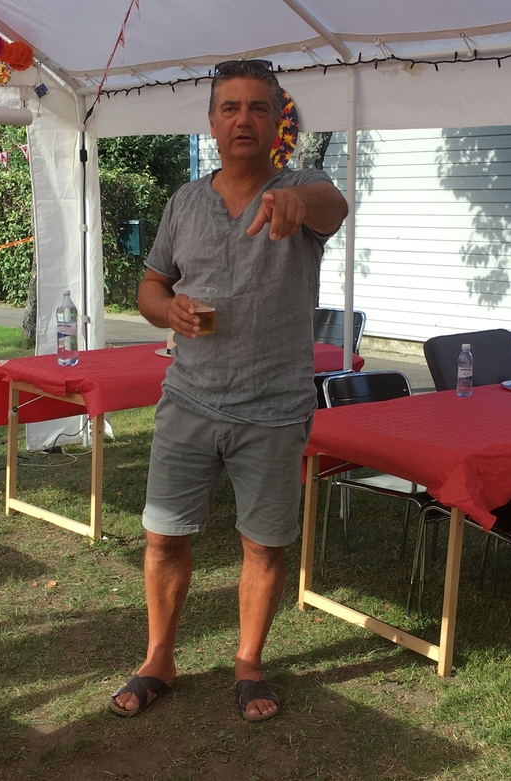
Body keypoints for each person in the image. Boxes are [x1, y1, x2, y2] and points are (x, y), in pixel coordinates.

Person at [109, 60, 348, 722]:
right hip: (188, 399)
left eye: (258, 108)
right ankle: (159, 658)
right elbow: (151, 286)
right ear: (212, 121)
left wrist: (298, 206)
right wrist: (168, 310)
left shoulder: (301, 188)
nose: (244, 119)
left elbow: (334, 206)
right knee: (163, 537)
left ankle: (248, 664)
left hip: (274, 408)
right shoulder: (185, 201)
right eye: (231, 107)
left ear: (276, 121)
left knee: (263, 545)